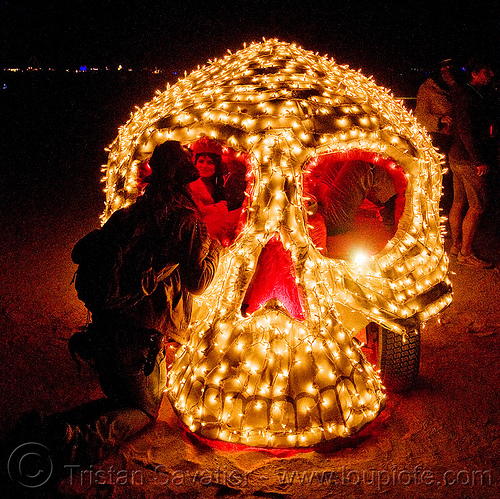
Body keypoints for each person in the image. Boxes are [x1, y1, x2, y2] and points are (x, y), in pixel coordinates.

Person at [9, 141, 222, 476]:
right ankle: (73, 442)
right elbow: (199, 282)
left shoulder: (127, 215)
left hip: (103, 328)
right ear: (186, 180)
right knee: (144, 411)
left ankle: (50, 426)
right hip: (138, 341)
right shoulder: (186, 222)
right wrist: (214, 249)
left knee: (121, 398)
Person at [448, 58, 497, 268]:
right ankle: (465, 253)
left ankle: (456, 245)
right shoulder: (467, 95)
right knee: (477, 206)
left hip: (457, 155)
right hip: (468, 159)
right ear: (474, 73)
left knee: (459, 201)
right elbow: (467, 131)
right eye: (486, 72)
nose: (491, 75)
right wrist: (479, 160)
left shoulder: (464, 93)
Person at [415, 59, 456, 213]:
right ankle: (435, 211)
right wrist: (439, 120)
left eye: (450, 67)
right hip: (436, 139)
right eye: (444, 67)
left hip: (455, 139)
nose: (447, 70)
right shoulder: (428, 88)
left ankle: (447, 210)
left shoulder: (456, 88)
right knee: (438, 176)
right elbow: (421, 115)